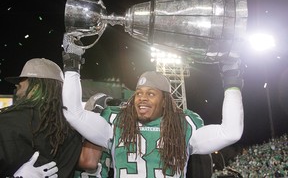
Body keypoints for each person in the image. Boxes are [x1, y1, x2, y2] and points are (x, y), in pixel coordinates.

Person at [62, 34, 244, 177]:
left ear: (165, 101)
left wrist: (231, 80)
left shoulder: (184, 126)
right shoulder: (116, 122)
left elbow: (231, 132)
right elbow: (73, 113)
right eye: (139, 93)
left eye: (150, 94)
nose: (142, 98)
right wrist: (72, 62)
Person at [0, 58, 82, 177]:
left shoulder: (7, 121)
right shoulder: (73, 127)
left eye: (20, 87)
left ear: (36, 86)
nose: (17, 93)